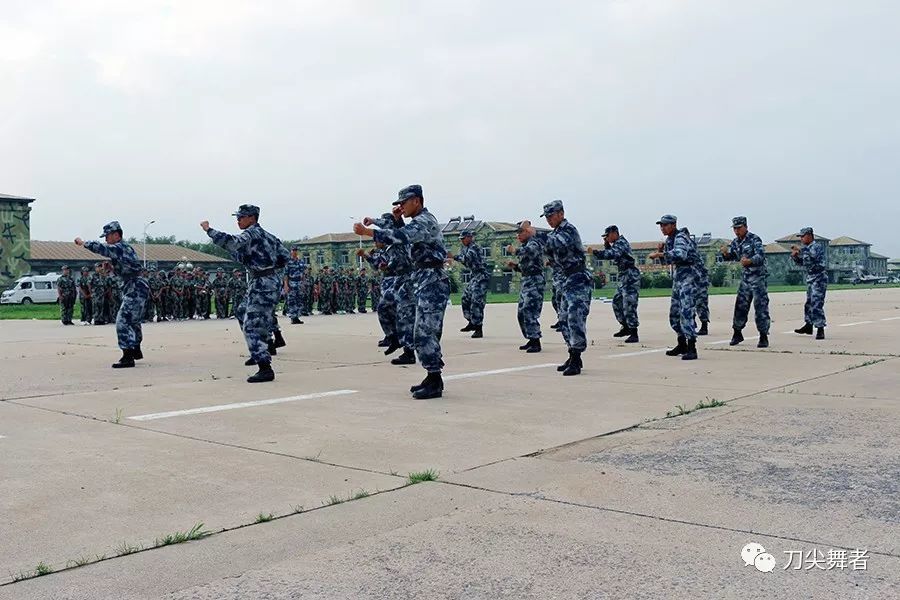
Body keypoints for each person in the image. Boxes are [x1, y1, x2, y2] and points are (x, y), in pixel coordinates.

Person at [354, 184, 449, 399]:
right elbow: (402, 238)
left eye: (403, 203)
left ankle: (435, 379)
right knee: (420, 331)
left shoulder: (425, 221)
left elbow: (401, 237)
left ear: (416, 201)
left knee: (425, 332)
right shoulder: (416, 221)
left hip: (432, 281)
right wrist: (397, 220)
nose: (401, 207)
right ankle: (431, 375)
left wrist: (368, 232)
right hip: (423, 279)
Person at [202, 205, 290, 383]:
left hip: (263, 283)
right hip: (265, 281)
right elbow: (284, 256)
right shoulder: (268, 236)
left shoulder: (252, 233)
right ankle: (261, 348)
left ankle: (265, 367)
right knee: (242, 312)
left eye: (241, 217)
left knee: (252, 325)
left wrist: (209, 230)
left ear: (252, 218)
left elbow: (232, 242)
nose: (238, 220)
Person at [75, 222, 149, 367]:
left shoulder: (120, 247)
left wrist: (83, 243)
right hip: (135, 286)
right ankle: (135, 348)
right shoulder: (123, 249)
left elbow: (102, 248)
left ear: (116, 235)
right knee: (133, 320)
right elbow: (126, 267)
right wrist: (113, 267)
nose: (106, 239)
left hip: (135, 286)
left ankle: (128, 356)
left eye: (107, 236)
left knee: (122, 320)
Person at [533, 200, 591, 375]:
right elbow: (551, 250)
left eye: (551, 216)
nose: (549, 220)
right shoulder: (557, 232)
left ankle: (576, 355)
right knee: (564, 319)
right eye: (547, 217)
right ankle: (573, 354)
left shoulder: (568, 230)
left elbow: (557, 243)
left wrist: (535, 234)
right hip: (566, 280)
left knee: (575, 318)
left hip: (578, 278)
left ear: (561, 214)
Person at [648, 215, 700, 360]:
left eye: (665, 225)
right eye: (661, 225)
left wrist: (660, 254)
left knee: (686, 311)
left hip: (688, 275)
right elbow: (669, 260)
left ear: (673, 225)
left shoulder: (681, 237)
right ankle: (681, 343)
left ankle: (692, 347)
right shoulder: (670, 239)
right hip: (679, 277)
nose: (662, 228)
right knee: (675, 313)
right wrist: (662, 254)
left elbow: (680, 254)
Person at [721, 216, 770, 348]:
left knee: (760, 307)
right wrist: (725, 254)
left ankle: (763, 336)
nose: (737, 231)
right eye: (735, 229)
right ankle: (737, 332)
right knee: (740, 306)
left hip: (758, 278)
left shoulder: (754, 239)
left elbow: (761, 256)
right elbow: (733, 256)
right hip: (746, 279)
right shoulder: (736, 242)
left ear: (745, 227)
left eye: (739, 228)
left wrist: (750, 261)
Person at [588, 225, 640, 343]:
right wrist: (606, 243)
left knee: (629, 304)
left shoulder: (621, 243)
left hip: (630, 276)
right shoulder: (616, 244)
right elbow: (609, 252)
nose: (607, 238)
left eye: (607, 236)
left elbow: (611, 254)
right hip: (624, 276)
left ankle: (634, 332)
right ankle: (625, 326)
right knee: (617, 302)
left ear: (614, 233)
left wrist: (595, 252)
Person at [506, 220, 546, 352]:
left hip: (535, 281)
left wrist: (515, 250)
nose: (518, 236)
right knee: (522, 313)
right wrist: (516, 267)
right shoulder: (527, 244)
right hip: (527, 280)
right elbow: (527, 267)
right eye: (516, 233)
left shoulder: (534, 243)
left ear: (528, 231)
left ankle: (536, 341)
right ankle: (530, 338)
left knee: (530, 310)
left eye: (520, 232)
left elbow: (528, 251)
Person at [451, 231, 490, 338]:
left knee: (477, 301)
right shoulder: (466, 248)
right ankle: (472, 322)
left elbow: (467, 258)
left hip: (481, 276)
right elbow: (466, 262)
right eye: (461, 239)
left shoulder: (474, 248)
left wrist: (454, 257)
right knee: (465, 298)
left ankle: (478, 328)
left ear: (470, 237)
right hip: (474, 276)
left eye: (463, 238)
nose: (462, 240)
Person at [792, 227, 827, 339]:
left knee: (817, 303)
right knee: (809, 303)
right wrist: (796, 257)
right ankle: (808, 325)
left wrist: (801, 250)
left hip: (819, 278)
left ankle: (820, 328)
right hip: (811, 278)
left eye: (803, 236)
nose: (801, 239)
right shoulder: (807, 249)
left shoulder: (816, 246)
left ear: (809, 235)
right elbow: (803, 263)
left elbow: (813, 256)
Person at [284, 246, 306, 324]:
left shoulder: (301, 262)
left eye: (296, 250)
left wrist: (303, 284)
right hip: (291, 283)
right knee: (292, 301)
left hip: (299, 283)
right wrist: (286, 285)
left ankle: (297, 317)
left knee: (299, 301)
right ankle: (293, 317)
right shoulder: (288, 262)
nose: (295, 252)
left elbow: (303, 274)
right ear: (291, 251)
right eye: (293, 250)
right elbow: (286, 275)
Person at [694, 252, 711, 335]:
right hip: (688, 280)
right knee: (686, 303)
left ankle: (704, 326)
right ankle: (691, 324)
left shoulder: (690, 250)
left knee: (701, 303)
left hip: (700, 281)